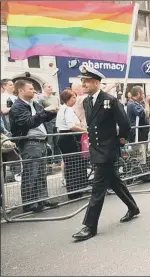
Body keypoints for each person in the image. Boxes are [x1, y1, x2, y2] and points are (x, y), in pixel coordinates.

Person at [72, 65, 139, 241]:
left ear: (96, 82)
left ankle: (89, 226)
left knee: (98, 188)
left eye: (86, 81)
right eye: (82, 81)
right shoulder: (87, 101)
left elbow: (124, 124)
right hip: (96, 149)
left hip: (108, 150)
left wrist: (120, 141)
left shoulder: (110, 100)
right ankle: (133, 208)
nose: (83, 84)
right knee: (115, 182)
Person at [9, 80, 59, 213]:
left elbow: (43, 118)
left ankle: (42, 199)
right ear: (21, 90)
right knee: (31, 172)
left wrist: (52, 112)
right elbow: (28, 122)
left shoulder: (34, 104)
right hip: (30, 142)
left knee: (41, 172)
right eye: (30, 88)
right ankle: (30, 203)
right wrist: (45, 112)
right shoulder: (17, 107)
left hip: (41, 141)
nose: (34, 91)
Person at [55, 88, 89, 200]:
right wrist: (84, 130)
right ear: (67, 99)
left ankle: (75, 189)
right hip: (68, 137)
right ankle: (74, 191)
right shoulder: (67, 109)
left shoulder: (63, 109)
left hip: (64, 137)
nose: (75, 99)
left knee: (71, 164)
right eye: (73, 97)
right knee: (73, 164)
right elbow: (71, 126)